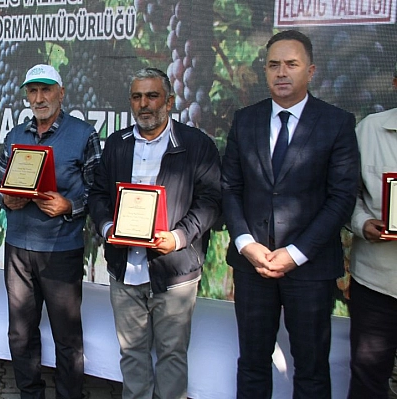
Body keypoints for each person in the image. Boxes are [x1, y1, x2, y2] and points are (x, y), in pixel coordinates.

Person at [221, 30, 360, 398]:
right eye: (273, 65)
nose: (281, 72)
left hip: (310, 268)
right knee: (251, 363)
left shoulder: (337, 123)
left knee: (311, 368)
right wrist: (247, 244)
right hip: (253, 265)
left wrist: (295, 253)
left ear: (310, 70)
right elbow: (230, 188)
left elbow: (342, 198)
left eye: (291, 64)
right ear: (265, 71)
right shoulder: (245, 120)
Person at [88, 67, 221, 398]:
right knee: (132, 355)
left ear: (170, 101)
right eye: (136, 97)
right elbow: (98, 195)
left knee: (172, 357)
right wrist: (108, 228)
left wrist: (178, 237)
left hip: (174, 272)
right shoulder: (117, 144)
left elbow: (211, 200)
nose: (143, 104)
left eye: (152, 96)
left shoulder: (196, 145)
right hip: (125, 269)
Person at [0, 64, 102, 399]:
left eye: (46, 90)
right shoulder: (16, 136)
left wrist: (70, 205)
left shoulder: (83, 135)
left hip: (61, 250)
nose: (39, 98)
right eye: (32, 91)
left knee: (67, 337)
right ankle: (30, 394)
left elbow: (99, 192)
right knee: (21, 334)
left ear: (61, 93)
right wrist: (5, 196)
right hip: (18, 250)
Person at [347, 61, 397, 398]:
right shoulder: (369, 129)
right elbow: (344, 193)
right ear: (395, 83)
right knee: (368, 379)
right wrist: (362, 222)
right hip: (377, 282)